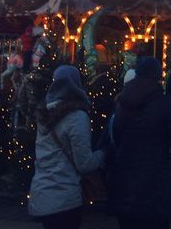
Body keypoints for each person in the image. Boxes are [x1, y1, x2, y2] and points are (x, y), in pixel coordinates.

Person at [108, 57, 171, 229]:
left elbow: (115, 134)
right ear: (157, 76)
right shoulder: (166, 103)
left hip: (126, 178)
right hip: (156, 179)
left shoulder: (122, 103)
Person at [29, 65, 106, 229]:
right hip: (65, 197)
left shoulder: (44, 114)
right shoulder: (77, 117)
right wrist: (103, 153)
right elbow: (84, 164)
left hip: (41, 193)